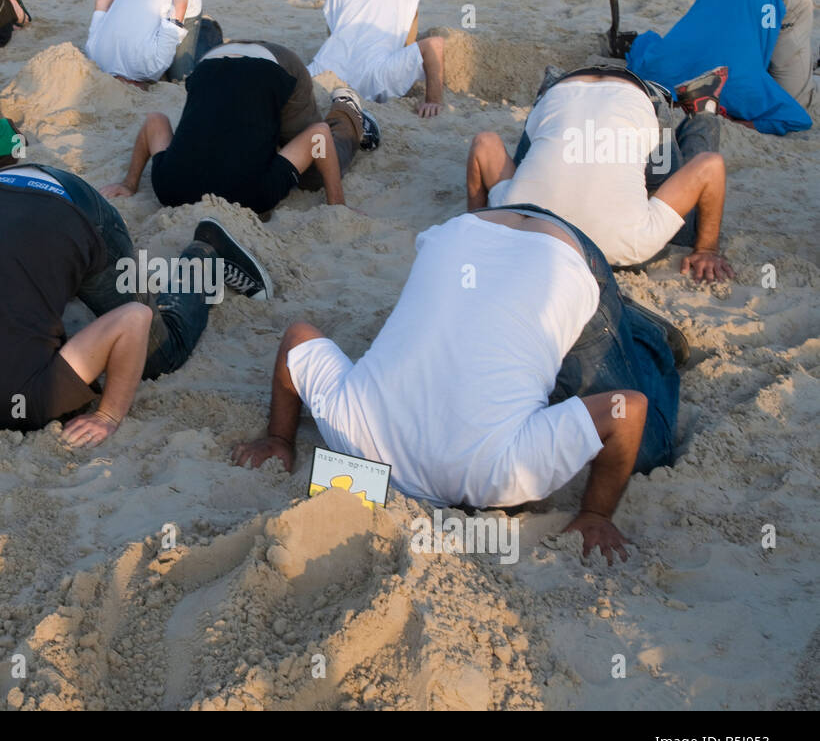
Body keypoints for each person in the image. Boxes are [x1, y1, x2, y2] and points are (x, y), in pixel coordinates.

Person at [233, 206, 684, 564]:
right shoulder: (351, 427)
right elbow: (298, 339)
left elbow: (630, 408)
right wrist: (280, 438)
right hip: (470, 228)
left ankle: (638, 325)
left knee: (652, 447)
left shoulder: (505, 475)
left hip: (565, 251)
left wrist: (595, 513)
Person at [0, 164, 273, 445]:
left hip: (77, 211)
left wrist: (108, 415)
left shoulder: (36, 399)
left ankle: (204, 254)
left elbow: (135, 319)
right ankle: (197, 257)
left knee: (163, 350)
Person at [465, 66, 733, 282]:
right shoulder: (512, 214)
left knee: (684, 225)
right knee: (685, 226)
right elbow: (484, 144)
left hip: (635, 93)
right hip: (562, 89)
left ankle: (702, 109)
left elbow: (709, 166)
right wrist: (477, 223)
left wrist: (706, 250)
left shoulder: (634, 244)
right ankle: (701, 112)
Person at [101, 41, 365, 213]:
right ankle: (346, 108)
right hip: (211, 63)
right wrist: (129, 183)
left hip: (266, 65)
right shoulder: (168, 188)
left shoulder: (258, 194)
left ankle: (345, 107)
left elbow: (318, 136)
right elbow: (155, 121)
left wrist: (336, 201)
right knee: (315, 173)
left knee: (315, 165)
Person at [627, 0, 815, 134]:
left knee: (795, 101)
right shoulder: (650, 71)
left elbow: (796, 119)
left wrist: (740, 123)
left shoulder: (739, 85)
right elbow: (644, 41)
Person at [308, 0, 446, 117]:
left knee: (405, 44)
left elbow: (435, 44)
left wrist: (433, 100)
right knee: (342, 28)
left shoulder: (380, 78)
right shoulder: (316, 73)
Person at [85, 0, 203, 84]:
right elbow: (101, 3)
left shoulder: (151, 68)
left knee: (182, 78)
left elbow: (180, 6)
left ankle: (206, 29)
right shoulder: (93, 55)